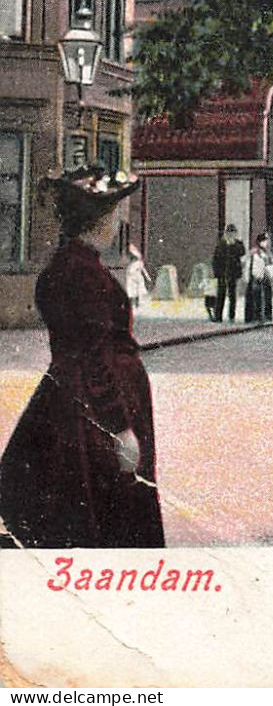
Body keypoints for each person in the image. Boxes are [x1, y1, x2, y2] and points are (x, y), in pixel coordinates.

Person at [0, 165, 164, 547]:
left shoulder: (70, 265)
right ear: (97, 220)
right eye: (113, 214)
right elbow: (91, 357)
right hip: (91, 409)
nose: (117, 222)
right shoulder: (82, 273)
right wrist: (120, 428)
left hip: (70, 400)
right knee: (100, 514)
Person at [211, 224, 245, 323]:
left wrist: (234, 244)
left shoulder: (238, 244)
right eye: (230, 233)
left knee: (232, 296)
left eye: (233, 233)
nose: (232, 235)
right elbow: (216, 259)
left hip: (233, 274)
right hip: (222, 273)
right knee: (220, 294)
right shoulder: (221, 244)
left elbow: (242, 253)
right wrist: (216, 273)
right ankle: (218, 316)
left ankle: (231, 316)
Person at [243, 232, 273, 325]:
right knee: (256, 298)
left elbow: (271, 264)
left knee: (266, 298)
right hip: (256, 278)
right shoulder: (255, 252)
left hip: (266, 278)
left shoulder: (268, 253)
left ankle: (266, 316)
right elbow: (250, 265)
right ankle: (255, 317)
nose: (266, 243)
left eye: (267, 241)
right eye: (264, 241)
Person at [124, 244, 153, 309]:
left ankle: (135, 304)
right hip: (132, 279)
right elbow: (143, 271)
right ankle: (132, 304)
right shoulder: (131, 265)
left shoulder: (138, 263)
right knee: (132, 291)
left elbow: (143, 270)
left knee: (136, 291)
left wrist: (148, 278)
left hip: (136, 278)